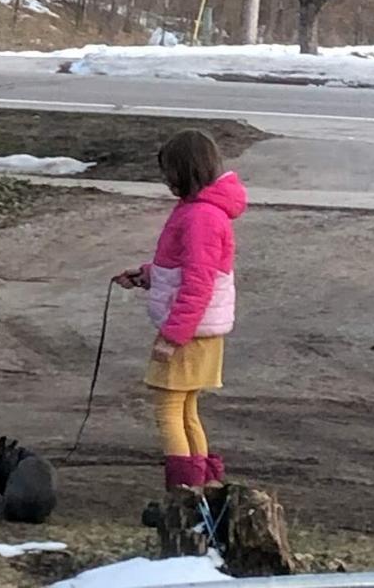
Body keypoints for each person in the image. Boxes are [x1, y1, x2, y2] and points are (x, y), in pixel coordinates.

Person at [116, 129, 247, 490]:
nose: (166, 182)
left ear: (186, 171)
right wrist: (147, 276)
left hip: (189, 332)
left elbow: (198, 282)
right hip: (200, 329)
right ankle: (206, 486)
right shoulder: (198, 211)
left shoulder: (201, 217)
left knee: (169, 412)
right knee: (187, 411)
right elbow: (182, 269)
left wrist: (173, 337)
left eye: (169, 174)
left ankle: (185, 493)